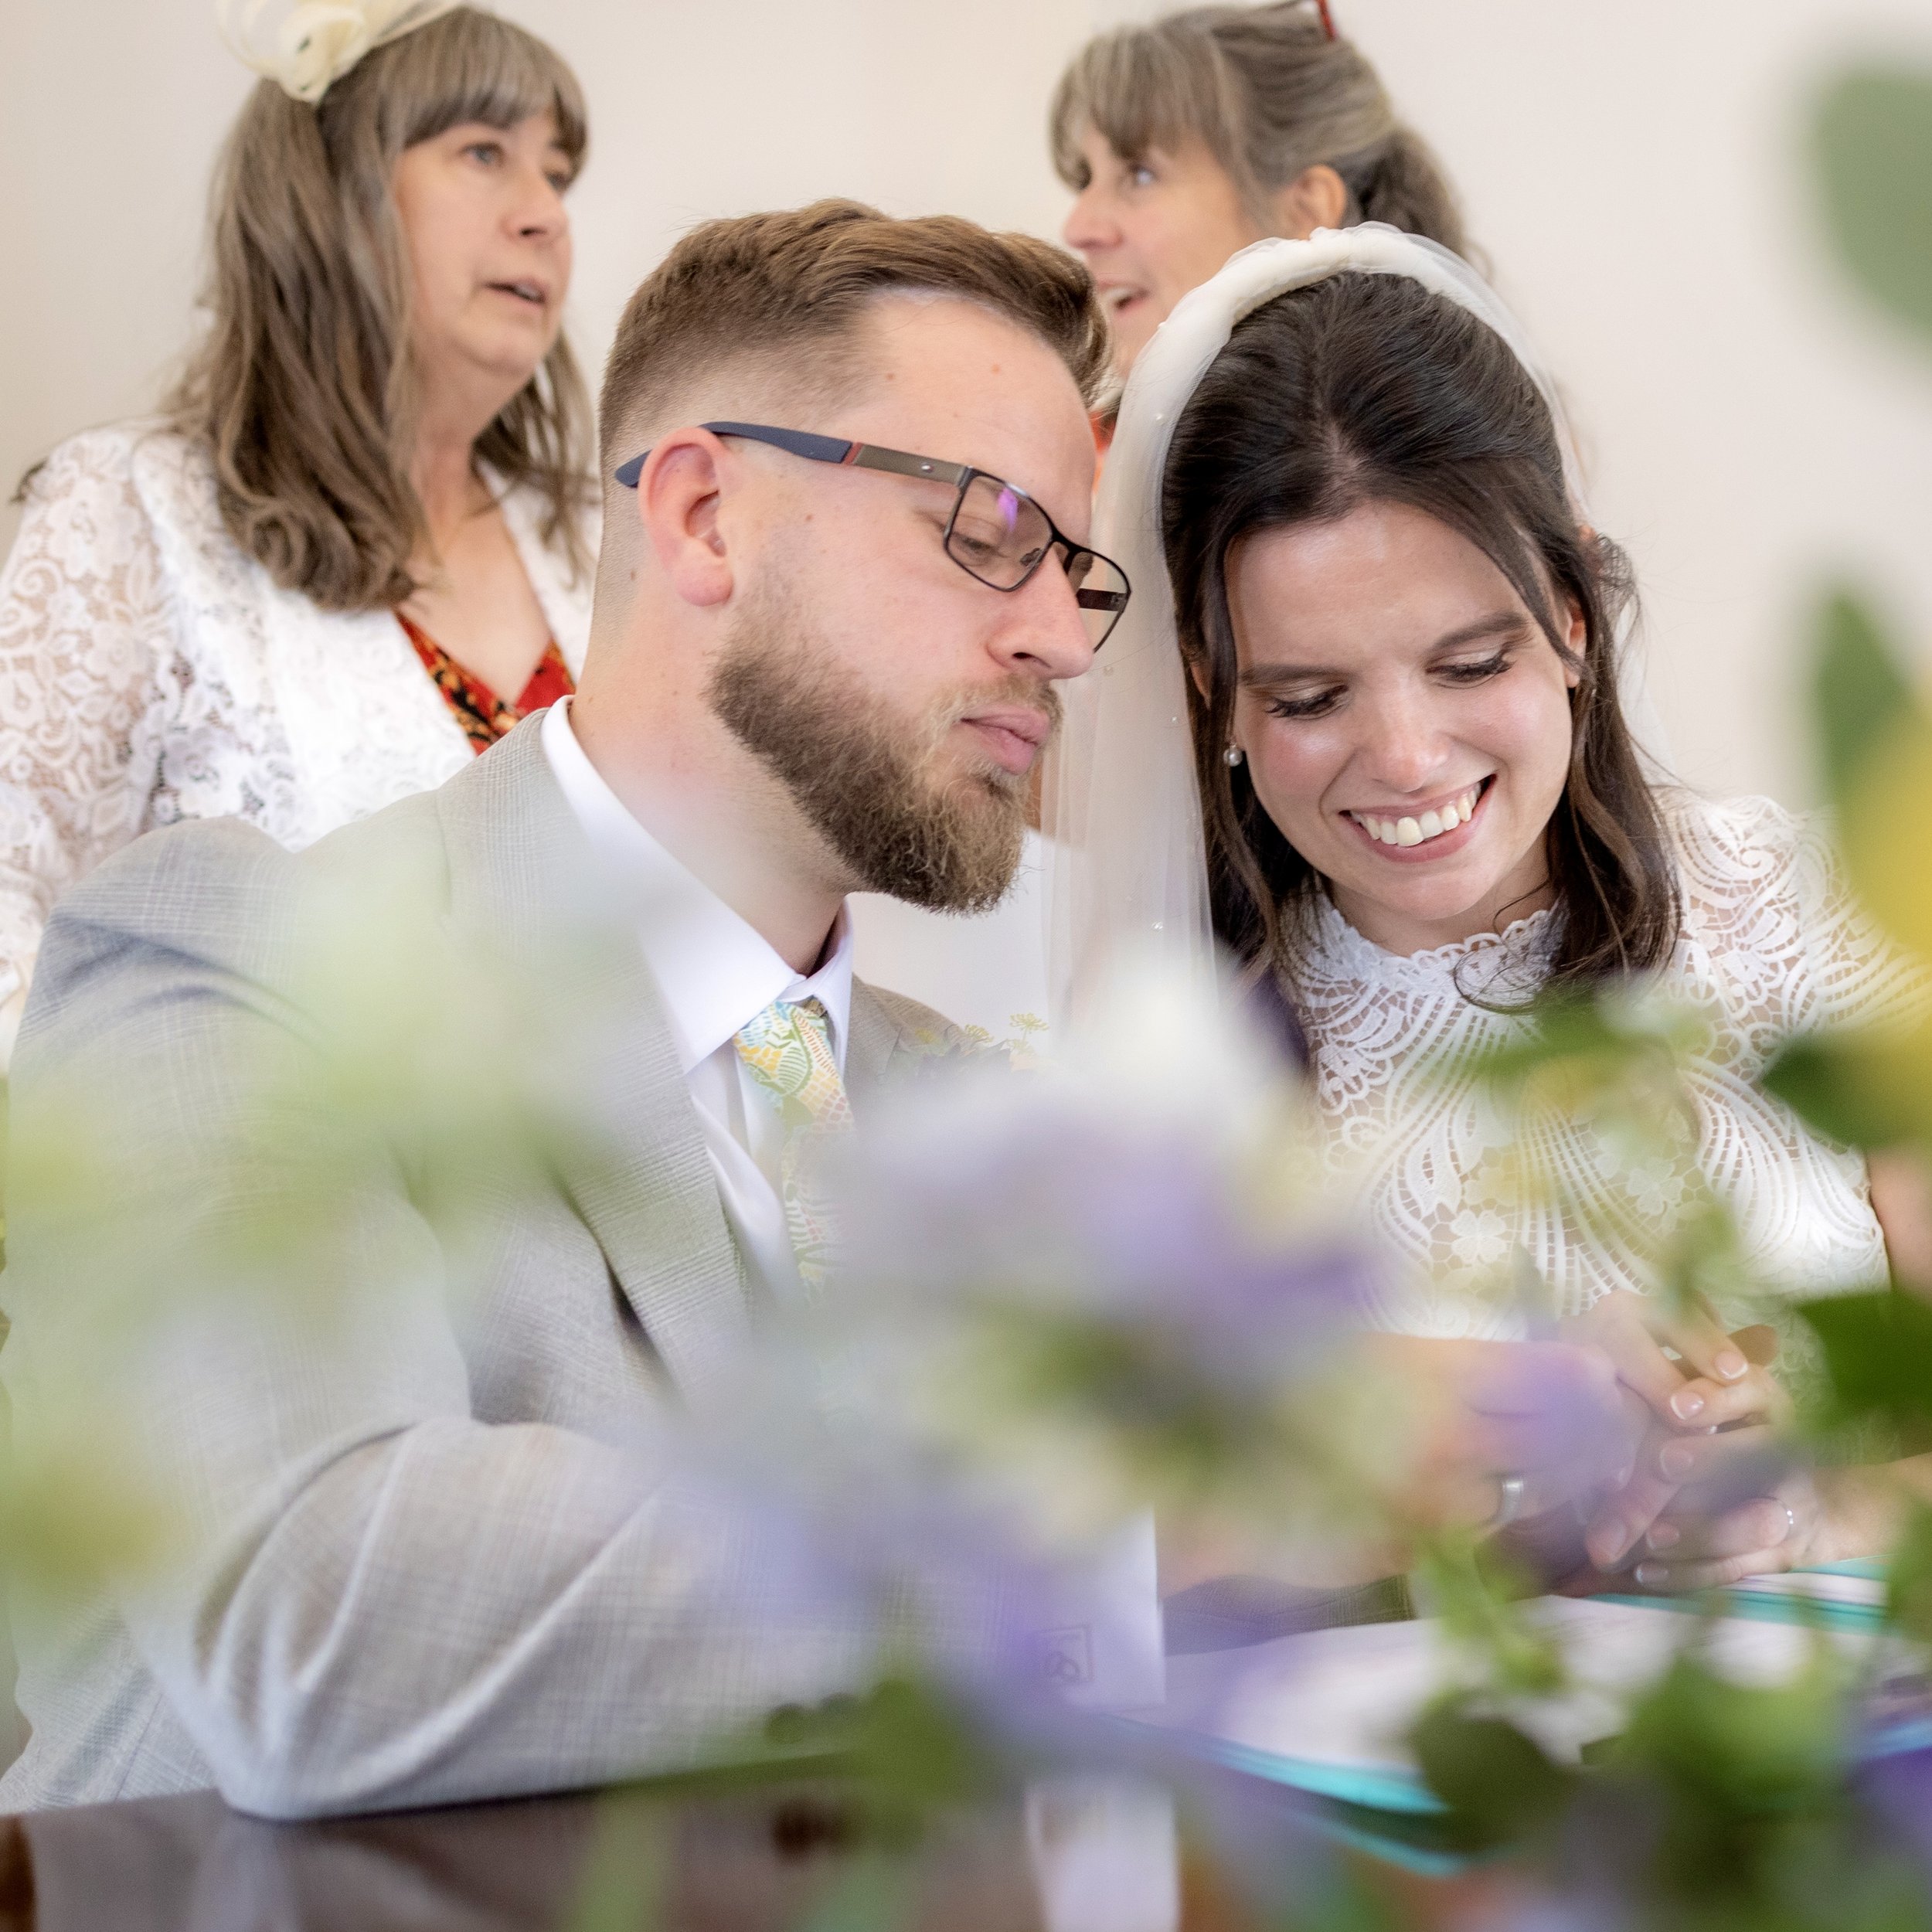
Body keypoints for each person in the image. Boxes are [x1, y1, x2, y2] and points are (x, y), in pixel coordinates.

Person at [1048, 225, 1929, 1593]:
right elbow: (1123, 1558)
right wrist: (1525, 1490)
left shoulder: (1826, 918)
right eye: (1308, 697)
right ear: (1210, 696)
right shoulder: (1182, 1067)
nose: (1404, 758)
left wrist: (1808, 1508)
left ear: (1573, 617)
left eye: (1470, 663)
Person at [0, 2, 596, 1066]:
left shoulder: (595, 539)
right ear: (334, 194)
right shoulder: (132, 513)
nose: (544, 212)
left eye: (557, 171)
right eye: (484, 152)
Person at [1053, 1, 1467, 386]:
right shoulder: (1077, 455)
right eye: (1087, 177)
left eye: (1140, 174)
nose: (1078, 228)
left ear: (1306, 212)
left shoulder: (1384, 461)